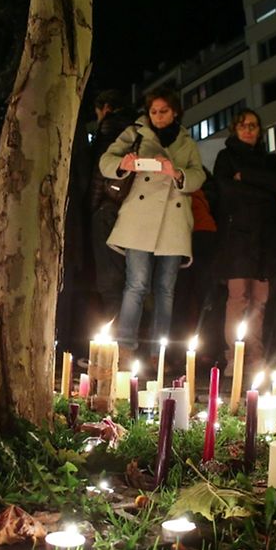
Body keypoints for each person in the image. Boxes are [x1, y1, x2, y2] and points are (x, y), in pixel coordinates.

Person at [99, 88, 206, 363]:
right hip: (139, 218)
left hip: (173, 219)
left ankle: (158, 352)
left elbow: (198, 175)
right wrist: (123, 165)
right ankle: (125, 348)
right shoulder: (134, 133)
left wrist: (176, 173)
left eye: (164, 111)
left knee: (165, 289)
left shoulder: (186, 140)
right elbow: (106, 162)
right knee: (136, 285)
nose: (158, 117)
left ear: (175, 112)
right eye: (154, 111)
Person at [213, 108, 276, 374]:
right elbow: (224, 191)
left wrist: (246, 178)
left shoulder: (269, 159)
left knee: (260, 300)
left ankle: (256, 354)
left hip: (266, 239)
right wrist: (265, 193)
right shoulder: (226, 157)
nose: (249, 129)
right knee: (238, 298)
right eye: (244, 125)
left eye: (254, 125)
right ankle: (234, 355)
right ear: (235, 128)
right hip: (237, 238)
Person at [89, 89, 131, 321]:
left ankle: (110, 344)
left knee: (110, 283)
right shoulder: (139, 129)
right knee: (131, 282)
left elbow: (98, 174)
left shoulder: (108, 128)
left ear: (105, 108)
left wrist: (93, 208)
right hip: (133, 210)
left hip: (108, 209)